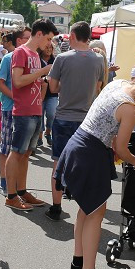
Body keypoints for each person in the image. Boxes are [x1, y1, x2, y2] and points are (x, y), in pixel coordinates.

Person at [55, 72, 135, 269]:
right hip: (91, 153)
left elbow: (107, 123)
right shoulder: (130, 108)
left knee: (86, 211)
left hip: (78, 144)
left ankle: (78, 261)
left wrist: (114, 144)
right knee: (95, 215)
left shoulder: (117, 84)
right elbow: (121, 149)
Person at [45, 21, 105, 220]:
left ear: (72, 36)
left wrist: (66, 84)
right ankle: (84, 207)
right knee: (83, 164)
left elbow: (52, 88)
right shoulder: (99, 59)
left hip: (63, 117)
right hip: (87, 120)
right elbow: (98, 88)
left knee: (58, 163)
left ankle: (56, 207)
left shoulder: (62, 58)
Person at [5, 20, 57, 211]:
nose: (49, 43)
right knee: (17, 151)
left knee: (25, 153)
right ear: (40, 34)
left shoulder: (34, 54)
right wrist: (43, 72)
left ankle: (21, 191)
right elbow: (17, 82)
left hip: (35, 110)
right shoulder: (21, 52)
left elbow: (30, 80)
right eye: (49, 38)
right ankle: (11, 195)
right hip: (24, 111)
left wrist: (43, 78)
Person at [0, 30, 25, 196]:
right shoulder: (8, 58)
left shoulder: (33, 58)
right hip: (10, 109)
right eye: (27, 37)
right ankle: (4, 183)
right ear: (20, 40)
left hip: (26, 111)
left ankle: (18, 185)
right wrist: (17, 98)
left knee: (21, 150)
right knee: (6, 148)